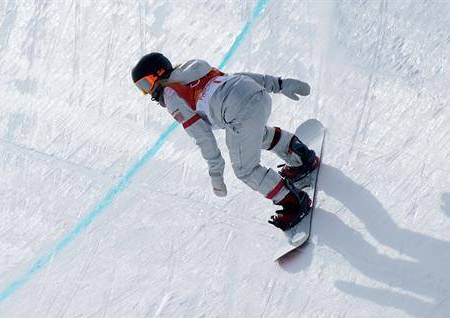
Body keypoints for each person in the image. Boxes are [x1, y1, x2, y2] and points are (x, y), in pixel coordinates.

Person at [131, 52, 319, 231]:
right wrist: (277, 84)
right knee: (253, 135)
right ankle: (301, 157)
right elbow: (234, 78)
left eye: (146, 85)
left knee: (245, 169)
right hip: (256, 94)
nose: (148, 94)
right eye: (142, 89)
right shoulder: (193, 68)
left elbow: (203, 136)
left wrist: (216, 172)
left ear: (158, 74)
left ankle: (293, 203)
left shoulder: (171, 96)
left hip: (238, 111)